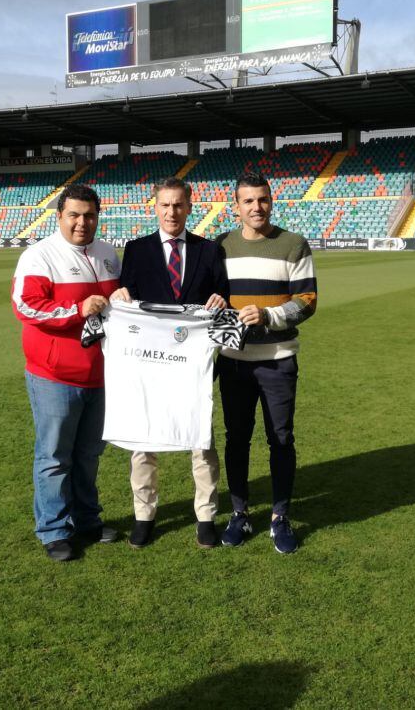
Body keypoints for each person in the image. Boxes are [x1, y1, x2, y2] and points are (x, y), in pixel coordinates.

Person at [110, 177, 230, 549]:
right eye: (165, 205)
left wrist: (220, 301)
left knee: (200, 437)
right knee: (143, 440)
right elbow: (126, 297)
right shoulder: (136, 249)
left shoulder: (209, 250)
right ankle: (144, 514)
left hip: (192, 364)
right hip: (148, 364)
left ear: (189, 207)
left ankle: (205, 514)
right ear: (155, 207)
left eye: (178, 205)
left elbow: (222, 296)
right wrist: (119, 294)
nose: (171, 212)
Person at [11, 184, 121, 562]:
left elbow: (118, 307)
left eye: (89, 215)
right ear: (58, 216)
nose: (81, 222)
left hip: (101, 374)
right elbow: (26, 306)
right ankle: (55, 529)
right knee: (55, 456)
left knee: (89, 454)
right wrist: (78, 310)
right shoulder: (39, 256)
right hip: (54, 375)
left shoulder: (108, 254)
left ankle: (87, 519)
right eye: (73, 214)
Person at [216, 171, 317, 554]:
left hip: (277, 361)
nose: (256, 207)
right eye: (248, 201)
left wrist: (270, 316)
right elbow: (210, 298)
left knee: (281, 439)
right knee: (236, 439)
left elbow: (307, 300)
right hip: (233, 361)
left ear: (271, 201)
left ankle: (280, 516)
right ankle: (239, 513)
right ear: (237, 206)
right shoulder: (220, 245)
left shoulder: (293, 244)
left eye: (262, 199)